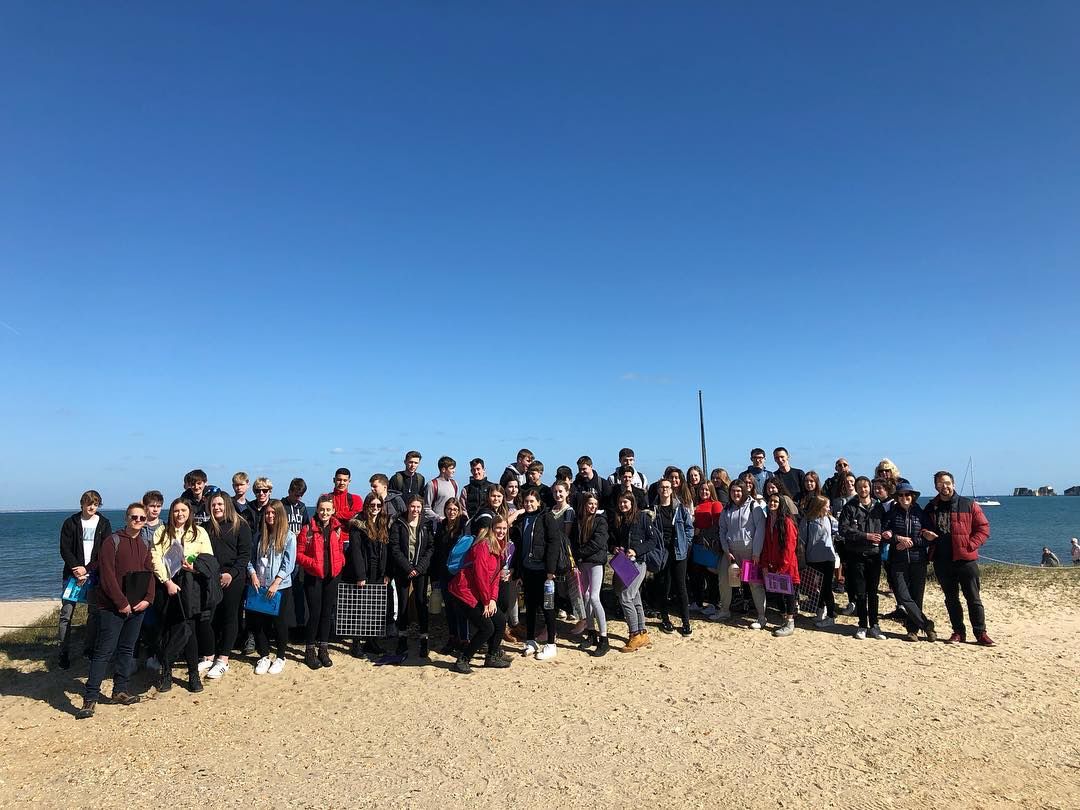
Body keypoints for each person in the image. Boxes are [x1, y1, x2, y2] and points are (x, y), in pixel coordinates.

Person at [75, 502, 155, 719]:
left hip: (137, 607)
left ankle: (120, 689)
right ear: (126, 518)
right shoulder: (112, 542)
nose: (137, 521)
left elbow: (150, 572)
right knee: (104, 652)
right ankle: (90, 698)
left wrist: (148, 599)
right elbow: (107, 576)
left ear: (145, 521)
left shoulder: (144, 545)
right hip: (111, 607)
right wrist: (121, 602)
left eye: (141, 518)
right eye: (133, 517)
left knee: (127, 650)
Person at [921, 471, 994, 646]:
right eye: (940, 484)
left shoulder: (968, 504)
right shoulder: (931, 507)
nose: (944, 487)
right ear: (936, 486)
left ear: (953, 484)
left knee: (973, 598)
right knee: (951, 599)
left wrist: (970, 545)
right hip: (942, 560)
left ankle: (980, 633)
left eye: (947, 483)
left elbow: (983, 528)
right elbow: (922, 528)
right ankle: (958, 632)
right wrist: (925, 535)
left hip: (966, 560)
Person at [151, 498, 216, 692]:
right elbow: (155, 558)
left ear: (190, 512)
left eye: (184, 510)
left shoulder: (199, 532)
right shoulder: (161, 532)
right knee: (168, 631)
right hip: (167, 585)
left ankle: (193, 675)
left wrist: (195, 567)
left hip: (191, 586)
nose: (180, 514)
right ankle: (167, 673)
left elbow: (209, 558)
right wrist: (167, 582)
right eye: (176, 510)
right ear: (171, 512)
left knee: (189, 631)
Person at [448, 519, 513, 673]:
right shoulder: (483, 545)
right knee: (487, 627)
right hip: (464, 592)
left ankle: (492, 656)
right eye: (498, 528)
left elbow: (495, 577)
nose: (501, 532)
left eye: (504, 528)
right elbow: (480, 575)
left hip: (480, 594)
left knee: (500, 620)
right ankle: (463, 660)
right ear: (492, 528)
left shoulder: (499, 546)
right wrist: (485, 601)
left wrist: (492, 599)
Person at [58, 490, 113, 669]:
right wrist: (77, 568)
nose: (91, 507)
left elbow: (106, 551)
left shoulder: (104, 523)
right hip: (72, 575)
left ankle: (89, 649)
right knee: (66, 614)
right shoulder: (71, 523)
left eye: (95, 504)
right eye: (88, 503)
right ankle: (63, 652)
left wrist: (88, 569)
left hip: (94, 575)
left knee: (94, 614)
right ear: (82, 503)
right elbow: (64, 549)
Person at [203, 492, 251, 680]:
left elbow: (245, 555)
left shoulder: (241, 526)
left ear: (227, 505)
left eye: (220, 504)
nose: (217, 508)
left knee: (230, 617)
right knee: (211, 617)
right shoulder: (207, 527)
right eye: (213, 505)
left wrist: (231, 574)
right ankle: (210, 654)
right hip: (212, 578)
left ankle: (223, 659)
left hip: (234, 578)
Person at [510, 491, 563, 661]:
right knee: (530, 607)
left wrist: (550, 569)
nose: (529, 504)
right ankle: (531, 641)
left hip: (543, 571)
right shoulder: (523, 519)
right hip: (528, 570)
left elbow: (554, 543)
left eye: (532, 501)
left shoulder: (546, 517)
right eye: (526, 501)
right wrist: (518, 571)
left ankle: (551, 644)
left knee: (547, 606)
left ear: (539, 502)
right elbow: (518, 546)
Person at [296, 495, 348, 669]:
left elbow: (340, 549)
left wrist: (340, 563)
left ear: (333, 511)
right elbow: (299, 554)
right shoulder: (307, 529)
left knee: (327, 613)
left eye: (328, 509)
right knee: (315, 613)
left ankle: (323, 649)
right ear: (317, 510)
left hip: (332, 576)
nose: (325, 512)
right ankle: (310, 650)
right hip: (313, 576)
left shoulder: (337, 529)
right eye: (322, 509)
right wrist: (312, 564)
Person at [881, 483, 936, 642]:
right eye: (901, 495)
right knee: (904, 596)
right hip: (898, 561)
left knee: (917, 597)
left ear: (912, 496)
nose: (904, 498)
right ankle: (927, 625)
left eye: (907, 495)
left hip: (918, 560)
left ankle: (912, 630)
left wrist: (912, 542)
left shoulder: (921, 513)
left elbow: (930, 538)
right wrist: (897, 539)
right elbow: (883, 533)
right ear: (897, 498)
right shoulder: (892, 513)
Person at [248, 499, 296, 675]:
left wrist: (276, 582)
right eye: (267, 513)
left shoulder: (289, 536)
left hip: (280, 587)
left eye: (273, 513)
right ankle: (264, 655)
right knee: (259, 623)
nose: (270, 516)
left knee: (279, 622)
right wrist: (253, 574)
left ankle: (281, 656)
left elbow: (288, 563)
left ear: (280, 515)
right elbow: (250, 559)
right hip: (259, 585)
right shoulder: (259, 536)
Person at [387, 495, 435, 662]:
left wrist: (419, 568)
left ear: (422, 508)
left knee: (422, 604)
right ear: (408, 507)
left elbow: (430, 548)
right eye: (413, 506)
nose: (415, 510)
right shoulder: (398, 524)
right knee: (403, 605)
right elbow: (394, 547)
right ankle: (402, 639)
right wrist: (408, 568)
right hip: (403, 570)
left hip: (421, 570)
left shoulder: (426, 525)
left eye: (418, 507)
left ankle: (424, 640)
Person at [344, 493, 392, 658]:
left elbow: (387, 549)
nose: (376, 509)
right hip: (364, 570)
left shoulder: (383, 523)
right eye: (373, 505)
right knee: (359, 608)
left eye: (379, 506)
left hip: (379, 571)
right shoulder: (358, 524)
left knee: (375, 608)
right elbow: (355, 551)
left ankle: (371, 641)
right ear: (367, 506)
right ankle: (356, 644)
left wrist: (387, 573)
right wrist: (360, 575)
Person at [608, 493, 657, 652]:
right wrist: (614, 548)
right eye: (620, 502)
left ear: (632, 502)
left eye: (626, 502)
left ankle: (634, 634)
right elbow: (612, 540)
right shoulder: (619, 520)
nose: (623, 505)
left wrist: (636, 550)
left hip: (639, 563)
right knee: (634, 597)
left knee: (625, 597)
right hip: (624, 564)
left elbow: (652, 541)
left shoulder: (642, 517)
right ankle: (642, 633)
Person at [839, 477, 886, 640]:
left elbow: (886, 526)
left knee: (873, 592)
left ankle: (874, 625)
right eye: (860, 487)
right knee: (860, 592)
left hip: (874, 555)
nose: (863, 490)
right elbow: (843, 529)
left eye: (865, 487)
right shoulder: (849, 507)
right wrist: (865, 536)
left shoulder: (878, 507)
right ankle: (862, 625)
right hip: (856, 555)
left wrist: (886, 535)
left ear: (870, 488)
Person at [717, 481, 767, 628]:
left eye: (738, 491)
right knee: (724, 580)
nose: (735, 494)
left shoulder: (754, 506)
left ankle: (761, 617)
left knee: (754, 584)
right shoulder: (726, 509)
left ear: (744, 491)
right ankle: (724, 610)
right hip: (730, 553)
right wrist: (726, 549)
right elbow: (722, 530)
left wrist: (756, 553)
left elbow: (760, 530)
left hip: (750, 552)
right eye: (733, 491)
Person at [569, 494, 610, 657]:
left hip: (595, 562)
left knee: (594, 597)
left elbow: (598, 543)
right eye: (589, 503)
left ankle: (604, 638)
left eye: (594, 503)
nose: (592, 506)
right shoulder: (579, 521)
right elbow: (574, 541)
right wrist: (576, 557)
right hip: (583, 563)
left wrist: (579, 554)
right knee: (585, 596)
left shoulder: (601, 521)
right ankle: (591, 633)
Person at [653, 479, 695, 636]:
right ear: (658, 490)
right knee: (664, 585)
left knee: (681, 586)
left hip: (679, 552)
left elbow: (689, 527)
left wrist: (686, 543)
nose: (665, 490)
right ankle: (665, 618)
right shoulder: (654, 509)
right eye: (662, 487)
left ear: (672, 490)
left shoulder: (680, 508)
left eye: (667, 487)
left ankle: (686, 622)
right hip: (661, 553)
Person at [431, 499, 471, 655]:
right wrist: (434, 575)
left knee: (461, 608)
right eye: (449, 508)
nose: (451, 512)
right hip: (444, 572)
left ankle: (464, 639)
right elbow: (436, 551)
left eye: (455, 509)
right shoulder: (441, 526)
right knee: (448, 608)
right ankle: (453, 637)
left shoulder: (464, 526)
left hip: (460, 573)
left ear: (459, 510)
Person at [761, 493, 800, 637]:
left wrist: (782, 568)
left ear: (781, 504)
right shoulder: (768, 521)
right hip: (772, 564)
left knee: (788, 593)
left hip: (786, 566)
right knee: (778, 594)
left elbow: (790, 547)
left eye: (775, 502)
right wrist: (765, 564)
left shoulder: (787, 522)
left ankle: (790, 622)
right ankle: (784, 619)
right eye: (770, 501)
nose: (772, 504)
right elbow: (766, 544)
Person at [799, 496, 837, 629]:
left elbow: (838, 532)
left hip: (828, 558)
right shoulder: (807, 520)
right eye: (826, 506)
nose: (828, 508)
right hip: (813, 559)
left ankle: (831, 615)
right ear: (819, 506)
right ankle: (820, 612)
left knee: (826, 588)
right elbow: (801, 540)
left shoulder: (830, 519)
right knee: (816, 588)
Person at [690, 481, 724, 617]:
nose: (704, 492)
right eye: (702, 490)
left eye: (707, 490)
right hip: (698, 545)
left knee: (711, 577)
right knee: (697, 575)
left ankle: (713, 604)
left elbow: (718, 526)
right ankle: (698, 602)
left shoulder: (716, 505)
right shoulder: (697, 505)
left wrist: (701, 532)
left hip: (710, 545)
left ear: (711, 491)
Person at [282, 477, 310, 630]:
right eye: (295, 494)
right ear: (290, 491)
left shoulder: (303, 507)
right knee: (283, 588)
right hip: (283, 550)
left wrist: (302, 534)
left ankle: (299, 624)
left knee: (298, 589)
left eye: (300, 495)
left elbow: (306, 527)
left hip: (298, 553)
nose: (297, 498)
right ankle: (282, 624)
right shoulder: (282, 505)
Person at [424, 456, 459, 525]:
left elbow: (457, 505)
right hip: (436, 526)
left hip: (452, 525)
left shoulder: (454, 484)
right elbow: (426, 508)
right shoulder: (432, 484)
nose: (454, 471)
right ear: (443, 469)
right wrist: (438, 518)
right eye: (451, 468)